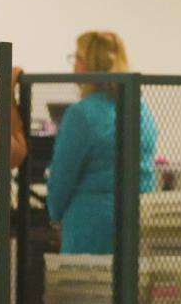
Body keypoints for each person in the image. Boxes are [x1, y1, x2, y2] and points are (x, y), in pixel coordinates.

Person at [46, 31, 157, 254]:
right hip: (138, 221)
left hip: (90, 229)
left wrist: (54, 213)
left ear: (87, 65)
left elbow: (61, 181)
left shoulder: (81, 115)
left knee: (86, 288)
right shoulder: (141, 110)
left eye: (76, 58)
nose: (73, 65)